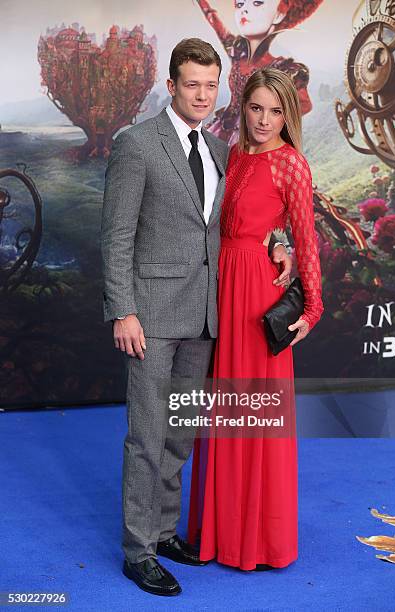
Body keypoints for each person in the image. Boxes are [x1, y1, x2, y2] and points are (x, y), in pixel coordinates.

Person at [101, 39, 291, 596]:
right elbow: (116, 235)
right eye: (192, 84)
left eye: (212, 85)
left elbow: (247, 221)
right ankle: (139, 552)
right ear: (172, 84)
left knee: (181, 433)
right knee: (146, 435)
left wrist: (281, 244)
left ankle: (163, 532)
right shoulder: (137, 144)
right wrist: (124, 311)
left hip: (207, 316)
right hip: (152, 316)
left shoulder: (218, 149)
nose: (203, 95)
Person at [188, 67, 324, 571]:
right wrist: (277, 241)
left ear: (288, 115)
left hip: (256, 294)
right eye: (255, 108)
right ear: (242, 108)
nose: (264, 120)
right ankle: (220, 532)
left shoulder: (292, 164)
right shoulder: (231, 153)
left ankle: (259, 541)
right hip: (219, 285)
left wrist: (312, 306)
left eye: (275, 110)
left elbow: (304, 238)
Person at [194, 0, 323, 145]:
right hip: (221, 128)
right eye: (239, 4)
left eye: (257, 3)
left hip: (247, 140)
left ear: (279, 14)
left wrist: (269, 125)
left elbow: (305, 105)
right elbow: (213, 20)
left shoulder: (284, 69)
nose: (244, 10)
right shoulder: (238, 52)